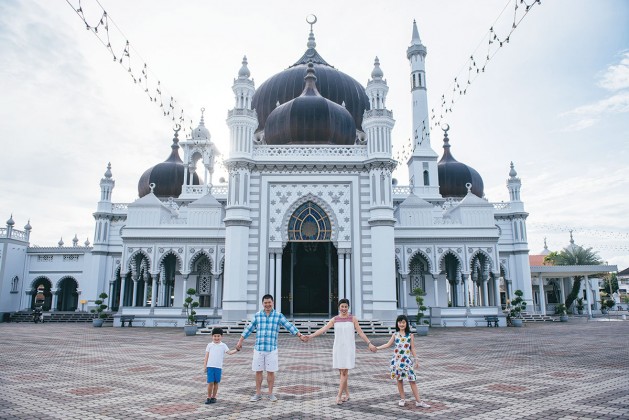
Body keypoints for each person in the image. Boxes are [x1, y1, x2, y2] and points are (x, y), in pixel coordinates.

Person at [236, 294, 307, 402]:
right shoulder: (258, 315)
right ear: (262, 303)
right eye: (265, 303)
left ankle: (270, 394)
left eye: (269, 302)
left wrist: (299, 335)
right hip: (259, 348)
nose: (267, 305)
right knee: (258, 371)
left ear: (273, 303)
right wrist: (240, 340)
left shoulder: (278, 316)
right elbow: (249, 328)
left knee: (271, 372)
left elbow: (288, 325)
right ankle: (258, 393)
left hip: (271, 349)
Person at [306, 298, 377, 404]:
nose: (344, 308)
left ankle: (338, 396)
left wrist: (369, 343)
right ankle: (347, 394)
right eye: (342, 306)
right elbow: (323, 329)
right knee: (342, 373)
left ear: (348, 307)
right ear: (339, 307)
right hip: (338, 348)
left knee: (344, 372)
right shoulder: (335, 319)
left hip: (349, 348)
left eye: (346, 306)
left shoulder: (353, 319)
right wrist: (310, 336)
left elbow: (360, 332)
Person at [376, 314, 431, 408]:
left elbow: (412, 348)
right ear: (397, 323)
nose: (401, 324)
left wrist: (416, 359)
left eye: (403, 322)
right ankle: (402, 399)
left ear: (406, 323)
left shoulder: (410, 335)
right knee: (399, 380)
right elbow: (387, 344)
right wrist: (376, 348)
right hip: (397, 361)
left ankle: (418, 401)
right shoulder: (395, 334)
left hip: (407, 362)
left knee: (412, 380)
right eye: (400, 322)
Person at [203, 327, 238, 404]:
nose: (216, 338)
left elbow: (229, 352)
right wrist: (205, 366)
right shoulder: (209, 345)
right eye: (215, 336)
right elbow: (206, 356)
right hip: (210, 366)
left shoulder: (223, 345)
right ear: (212, 336)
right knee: (210, 382)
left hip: (218, 367)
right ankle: (208, 397)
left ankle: (214, 397)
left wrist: (237, 350)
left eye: (218, 336)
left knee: (216, 382)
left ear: (221, 336)